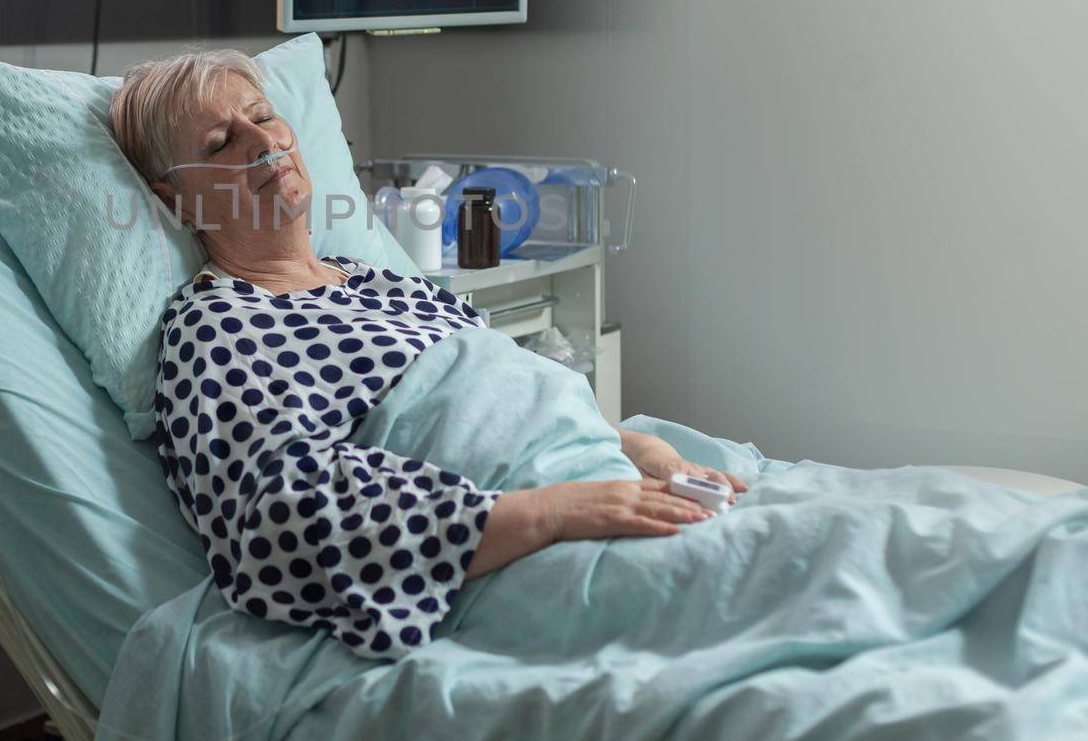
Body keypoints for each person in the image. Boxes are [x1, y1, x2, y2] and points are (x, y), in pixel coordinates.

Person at [108, 47, 747, 659]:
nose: (263, 141)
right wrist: (547, 513)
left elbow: (520, 400)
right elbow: (278, 523)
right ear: (175, 201)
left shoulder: (387, 281)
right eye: (221, 143)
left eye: (264, 115)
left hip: (594, 479)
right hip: (501, 552)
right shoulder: (219, 324)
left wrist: (651, 457)